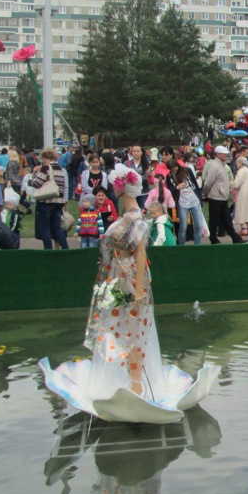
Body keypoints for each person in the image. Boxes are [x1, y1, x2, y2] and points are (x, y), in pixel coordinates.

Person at [85, 165, 159, 396]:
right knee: (123, 326)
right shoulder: (130, 217)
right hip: (119, 274)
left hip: (127, 276)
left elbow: (140, 253)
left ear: (121, 188)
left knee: (132, 327)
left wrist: (138, 287)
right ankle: (130, 380)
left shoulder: (136, 218)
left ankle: (136, 383)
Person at [201, 146, 243, 244]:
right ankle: (213, 237)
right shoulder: (215, 166)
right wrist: (205, 194)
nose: (226, 156)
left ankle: (234, 237)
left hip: (221, 196)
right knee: (214, 218)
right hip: (216, 196)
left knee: (226, 218)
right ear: (218, 155)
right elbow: (208, 183)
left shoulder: (221, 165)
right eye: (224, 154)